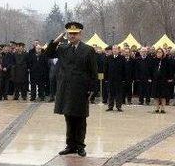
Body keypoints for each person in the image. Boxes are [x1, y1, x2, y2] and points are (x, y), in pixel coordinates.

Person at [43, 22, 98, 157]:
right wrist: (56, 40)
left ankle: (80, 145)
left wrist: (92, 89)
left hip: (80, 88)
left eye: (75, 34)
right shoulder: (62, 48)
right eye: (70, 34)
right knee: (68, 117)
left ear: (80, 34)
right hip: (66, 88)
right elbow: (47, 54)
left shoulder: (88, 50)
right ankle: (70, 145)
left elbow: (93, 71)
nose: (72, 36)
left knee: (80, 118)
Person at [151, 47, 172, 113]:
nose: (158, 53)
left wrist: (170, 78)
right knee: (156, 95)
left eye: (160, 52)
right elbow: (151, 69)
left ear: (163, 53)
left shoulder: (166, 60)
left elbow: (169, 70)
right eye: (157, 52)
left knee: (163, 95)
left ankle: (163, 108)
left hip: (163, 80)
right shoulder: (154, 60)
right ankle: (157, 108)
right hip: (155, 80)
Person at [104, 45, 125, 112]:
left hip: (119, 79)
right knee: (111, 93)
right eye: (114, 49)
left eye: (116, 49)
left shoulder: (122, 58)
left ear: (118, 50)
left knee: (119, 93)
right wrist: (106, 78)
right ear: (112, 50)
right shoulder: (109, 58)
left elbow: (124, 69)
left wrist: (123, 78)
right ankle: (110, 106)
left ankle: (119, 106)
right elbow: (106, 68)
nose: (115, 50)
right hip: (110, 79)